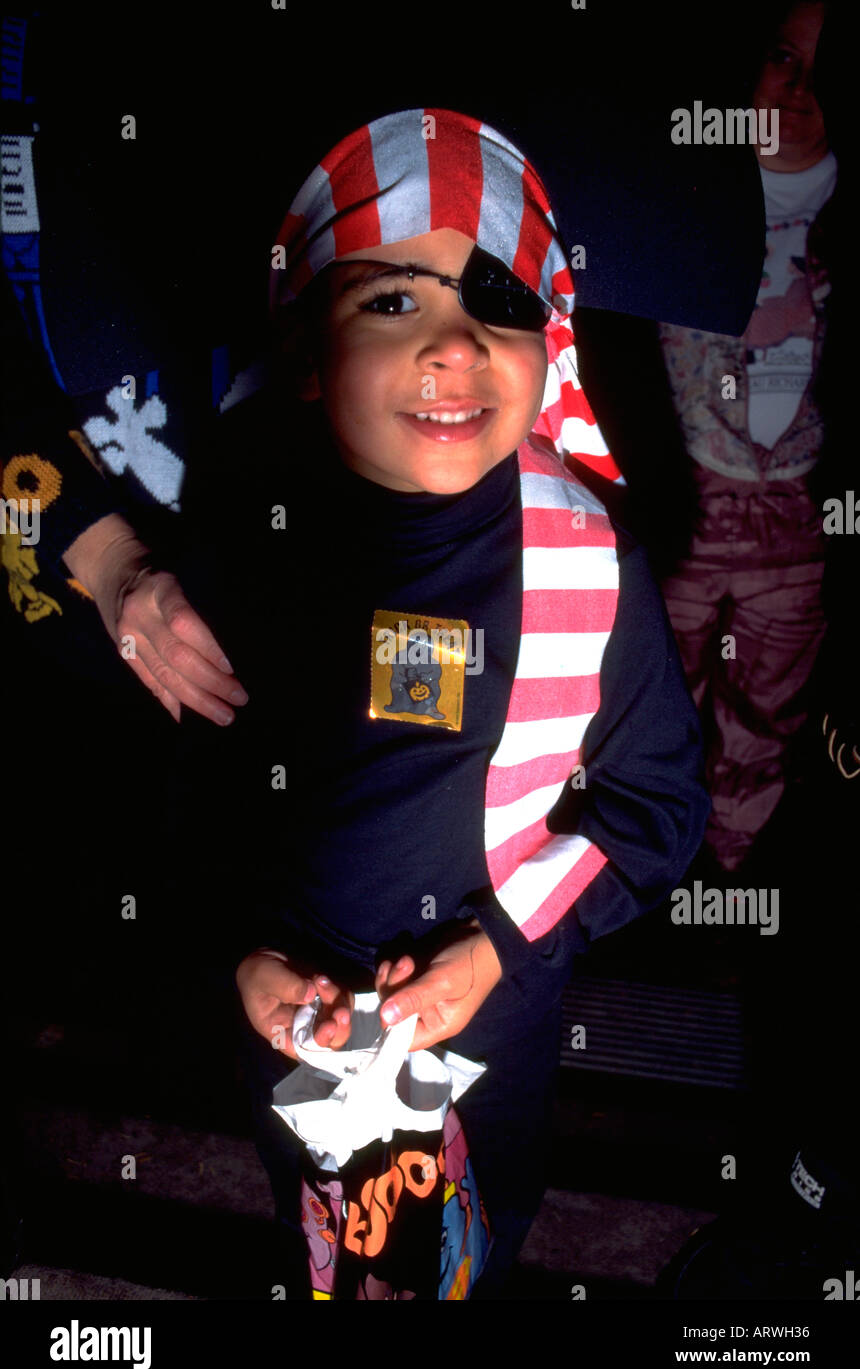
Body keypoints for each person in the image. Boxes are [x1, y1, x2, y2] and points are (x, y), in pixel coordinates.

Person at [169, 106, 711, 1299]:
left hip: (492, 1030)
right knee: (320, 1233)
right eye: (392, 300)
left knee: (465, 1242)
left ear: (550, 344)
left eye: (498, 304)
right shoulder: (244, 545)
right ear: (308, 345)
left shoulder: (588, 564)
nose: (456, 345)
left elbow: (656, 807)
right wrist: (244, 954)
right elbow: (192, 802)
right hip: (291, 1029)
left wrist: (500, 947)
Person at [657, 0, 837, 872]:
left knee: (767, 709)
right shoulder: (683, 183)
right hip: (686, 496)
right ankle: (653, 868)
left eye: (824, 67)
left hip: (797, 508)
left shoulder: (843, 203)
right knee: (660, 697)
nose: (800, 87)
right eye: (781, 57)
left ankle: (725, 872)